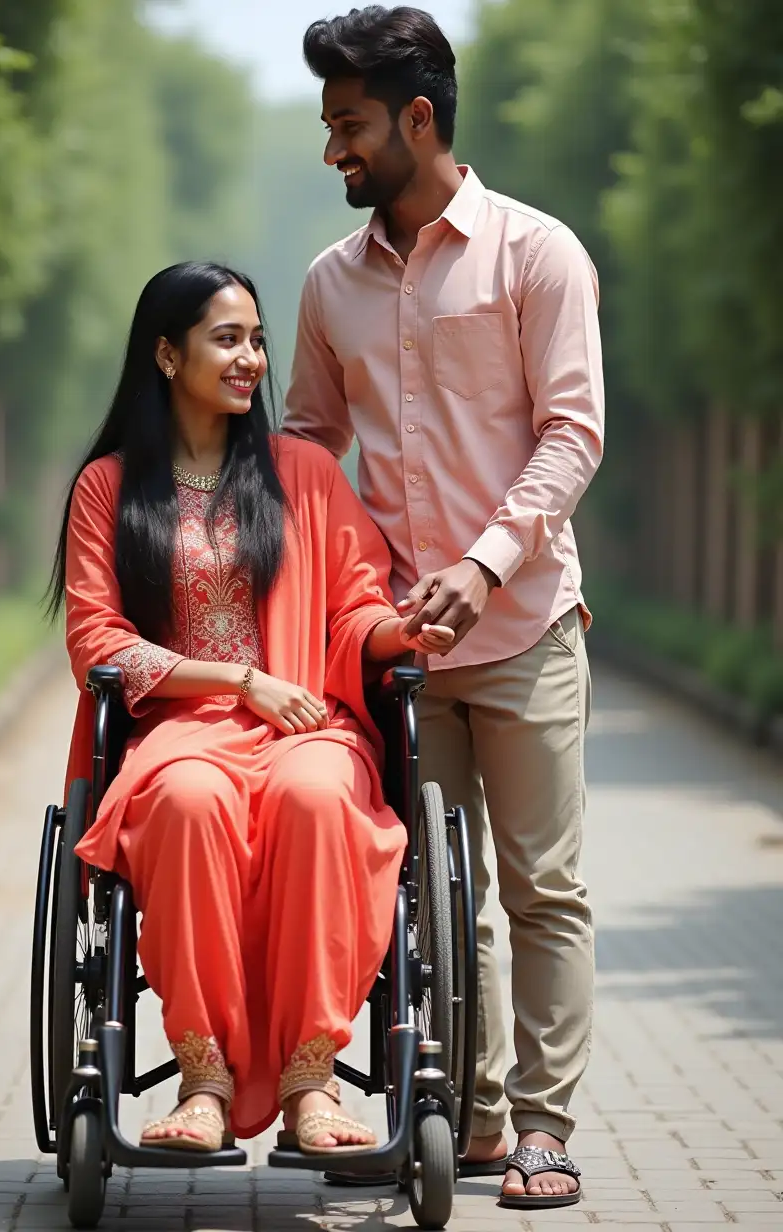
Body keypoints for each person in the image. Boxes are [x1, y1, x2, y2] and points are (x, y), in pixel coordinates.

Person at [283, 5, 603, 1209]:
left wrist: (481, 564)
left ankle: (542, 1126)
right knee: (429, 891)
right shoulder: (329, 283)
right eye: (328, 128)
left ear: (418, 118)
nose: (336, 152)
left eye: (350, 125)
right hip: (397, 651)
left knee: (540, 889)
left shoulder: (535, 254)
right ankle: (466, 1120)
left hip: (522, 629)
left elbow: (572, 432)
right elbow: (311, 444)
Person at [50, 261, 456, 1156]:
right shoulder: (108, 490)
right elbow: (98, 644)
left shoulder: (304, 474)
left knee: (320, 799)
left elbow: (353, 604)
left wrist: (401, 632)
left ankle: (314, 1083)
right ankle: (202, 1078)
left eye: (258, 340)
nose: (251, 359)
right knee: (188, 803)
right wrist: (237, 683)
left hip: (309, 728)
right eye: (227, 339)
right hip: (181, 737)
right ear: (166, 354)